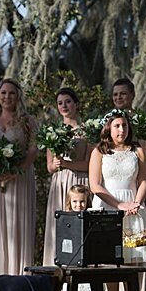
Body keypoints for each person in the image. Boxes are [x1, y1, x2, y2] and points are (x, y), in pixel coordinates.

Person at [0, 79, 39, 278]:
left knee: (17, 226)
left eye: (11, 93)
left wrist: (15, 170)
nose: (7, 97)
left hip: (19, 179)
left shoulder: (27, 121)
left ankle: (18, 275)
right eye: (3, 93)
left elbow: (33, 150)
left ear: (18, 96)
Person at [89, 111, 146, 291]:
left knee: (132, 255)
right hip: (108, 205)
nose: (121, 130)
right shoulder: (99, 152)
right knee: (110, 257)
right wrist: (118, 205)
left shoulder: (137, 150)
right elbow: (95, 185)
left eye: (124, 125)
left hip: (133, 207)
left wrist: (136, 203)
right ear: (108, 128)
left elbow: (143, 180)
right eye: (117, 126)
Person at [41, 88, 91, 267]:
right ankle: (56, 268)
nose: (64, 106)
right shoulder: (53, 131)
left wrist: (66, 164)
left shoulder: (87, 131)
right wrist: (54, 165)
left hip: (79, 182)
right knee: (60, 226)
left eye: (68, 101)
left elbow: (88, 164)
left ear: (76, 104)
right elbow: (49, 166)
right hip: (59, 183)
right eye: (60, 103)